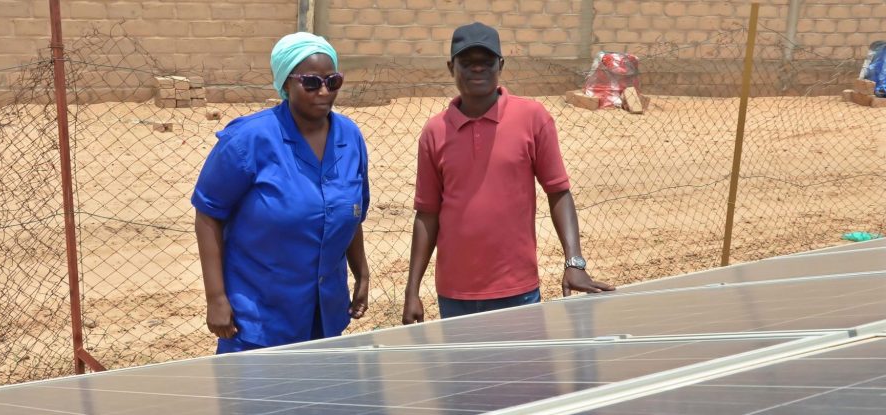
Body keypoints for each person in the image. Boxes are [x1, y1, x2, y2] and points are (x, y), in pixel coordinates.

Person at [402, 22, 615, 324]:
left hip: (518, 290)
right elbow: (427, 214)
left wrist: (574, 262)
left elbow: (558, 192)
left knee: (524, 371)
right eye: (467, 62)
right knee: (463, 372)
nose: (478, 69)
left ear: (500, 65)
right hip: (455, 295)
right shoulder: (435, 132)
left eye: (486, 62)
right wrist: (412, 290)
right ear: (451, 67)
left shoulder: (532, 118)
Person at [192, 32, 371, 353]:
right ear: (285, 84)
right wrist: (216, 298)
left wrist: (362, 274)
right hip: (259, 318)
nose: (324, 92)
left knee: (319, 400)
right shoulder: (249, 140)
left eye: (333, 81)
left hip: (325, 314)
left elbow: (352, 215)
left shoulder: (350, 137)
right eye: (311, 82)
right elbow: (208, 214)